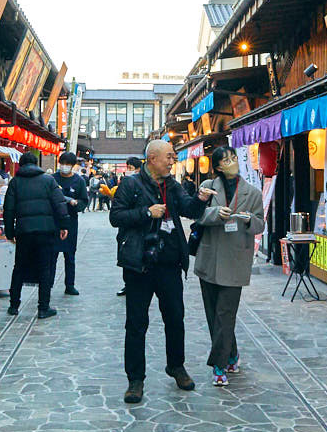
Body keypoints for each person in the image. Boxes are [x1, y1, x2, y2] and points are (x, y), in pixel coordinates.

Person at [109, 139, 209, 404]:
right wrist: (146, 212)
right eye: (168, 156)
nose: (172, 161)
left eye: (173, 157)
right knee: (136, 323)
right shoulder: (130, 184)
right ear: (152, 158)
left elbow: (188, 210)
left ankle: (176, 366)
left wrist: (200, 199)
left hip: (169, 263)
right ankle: (135, 379)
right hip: (139, 264)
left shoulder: (172, 185)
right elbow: (115, 217)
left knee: (175, 318)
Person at [192, 146, 265, 385]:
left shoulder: (252, 193)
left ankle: (219, 366)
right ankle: (231, 354)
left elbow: (260, 225)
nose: (232, 162)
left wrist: (248, 220)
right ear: (218, 167)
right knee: (214, 314)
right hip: (210, 257)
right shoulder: (209, 187)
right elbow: (196, 214)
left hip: (235, 260)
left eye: (234, 158)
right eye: (226, 160)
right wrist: (215, 214)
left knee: (226, 313)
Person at [1, 150, 69, 319]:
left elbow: (8, 210)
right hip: (46, 231)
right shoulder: (48, 180)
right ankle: (43, 308)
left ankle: (14, 305)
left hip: (24, 231)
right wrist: (63, 226)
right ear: (37, 164)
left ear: (21, 165)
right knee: (45, 268)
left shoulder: (15, 182)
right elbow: (60, 204)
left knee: (19, 267)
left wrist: (10, 232)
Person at [52, 152, 90, 296]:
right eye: (63, 163)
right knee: (52, 254)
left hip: (71, 221)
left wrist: (76, 204)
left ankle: (70, 284)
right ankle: (48, 283)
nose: (65, 166)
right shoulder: (52, 179)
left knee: (70, 254)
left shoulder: (78, 181)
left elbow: (84, 201)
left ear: (73, 166)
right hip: (54, 220)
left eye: (68, 164)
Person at [115, 157, 144, 296]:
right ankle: (127, 285)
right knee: (125, 258)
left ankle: (135, 285)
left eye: (131, 168)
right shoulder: (125, 183)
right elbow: (116, 214)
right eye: (128, 167)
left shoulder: (143, 184)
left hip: (137, 229)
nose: (128, 170)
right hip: (125, 228)